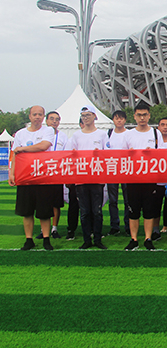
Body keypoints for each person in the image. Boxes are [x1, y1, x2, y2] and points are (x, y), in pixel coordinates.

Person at [9, 105, 55, 251]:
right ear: (29, 116)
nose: (37, 117)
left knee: (44, 211)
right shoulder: (20, 134)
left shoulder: (48, 130)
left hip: (42, 176)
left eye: (40, 114)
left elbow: (44, 145)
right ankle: (29, 239)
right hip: (25, 177)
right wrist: (12, 173)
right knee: (26, 211)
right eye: (34, 114)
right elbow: (14, 154)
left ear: (43, 117)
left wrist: (23, 149)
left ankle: (46, 239)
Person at [68, 106, 109, 250]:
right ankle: (87, 239)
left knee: (97, 211)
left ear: (94, 117)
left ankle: (97, 238)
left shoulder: (102, 135)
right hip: (81, 179)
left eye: (88, 115)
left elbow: (108, 154)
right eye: (83, 115)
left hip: (97, 179)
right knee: (84, 211)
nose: (85, 118)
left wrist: (100, 154)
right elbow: (70, 156)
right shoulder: (76, 136)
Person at [123, 101, 160, 251]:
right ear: (135, 116)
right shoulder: (128, 134)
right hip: (133, 177)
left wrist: (153, 154)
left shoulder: (156, 133)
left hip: (150, 177)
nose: (142, 118)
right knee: (133, 210)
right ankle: (133, 239)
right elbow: (120, 156)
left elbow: (163, 156)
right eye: (139, 115)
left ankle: (148, 238)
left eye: (145, 115)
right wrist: (129, 154)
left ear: (149, 115)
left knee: (149, 210)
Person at [36, 111, 67, 240]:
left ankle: (54, 228)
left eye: (57, 119)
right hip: (42, 173)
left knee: (56, 203)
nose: (55, 121)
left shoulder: (63, 136)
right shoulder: (40, 134)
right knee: (43, 202)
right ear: (46, 121)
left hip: (57, 173)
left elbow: (67, 153)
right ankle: (44, 230)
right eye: (52, 119)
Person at [106, 110, 129, 236]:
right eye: (116, 118)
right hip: (112, 170)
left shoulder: (129, 134)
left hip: (126, 169)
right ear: (113, 120)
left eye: (121, 118)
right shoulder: (109, 133)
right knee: (113, 200)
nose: (119, 120)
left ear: (125, 120)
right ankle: (114, 226)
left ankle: (127, 226)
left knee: (127, 200)